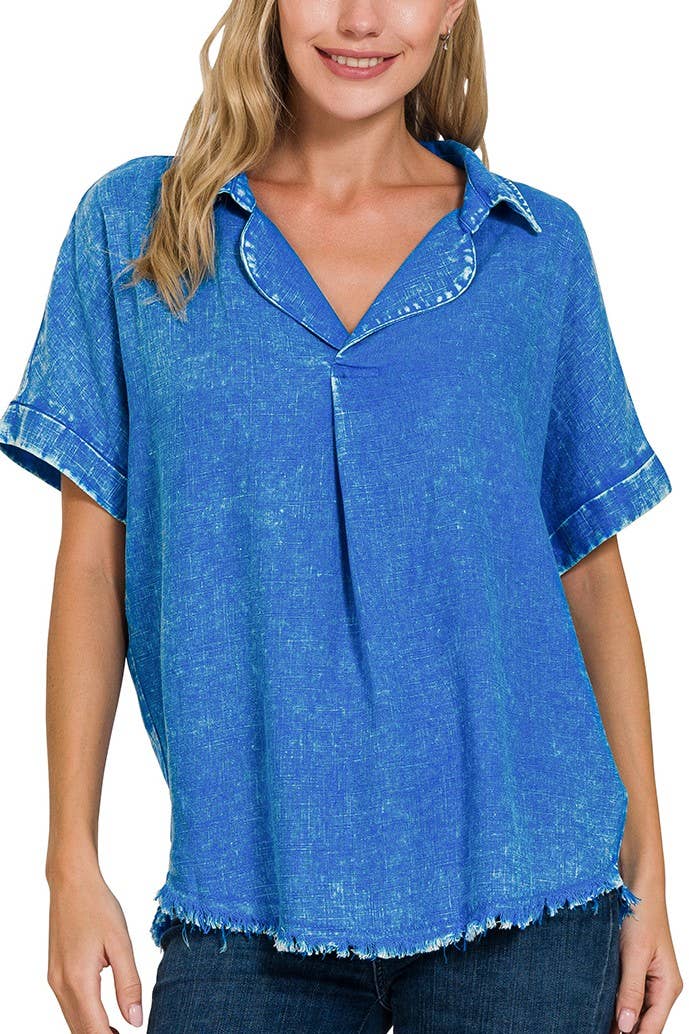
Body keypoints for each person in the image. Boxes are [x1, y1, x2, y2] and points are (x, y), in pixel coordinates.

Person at [0, 0, 683, 1031]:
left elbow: (588, 575)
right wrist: (69, 860)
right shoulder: (140, 230)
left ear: (450, 11)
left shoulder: (532, 249)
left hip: (534, 896)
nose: (360, 19)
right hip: (244, 900)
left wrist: (649, 877)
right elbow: (92, 565)